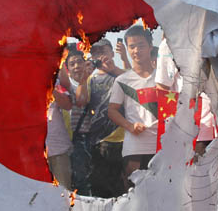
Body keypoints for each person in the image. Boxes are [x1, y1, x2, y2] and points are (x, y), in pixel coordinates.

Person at [76, 39, 128, 198]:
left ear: (112, 53)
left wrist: (117, 67)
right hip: (100, 143)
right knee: (102, 190)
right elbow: (80, 101)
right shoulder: (90, 79)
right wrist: (84, 78)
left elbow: (137, 86)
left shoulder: (122, 74)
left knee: (126, 189)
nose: (100, 56)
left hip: (126, 140)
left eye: (103, 51)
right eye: (96, 53)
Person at [108, 25, 158, 190]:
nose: (137, 50)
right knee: (135, 195)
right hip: (135, 147)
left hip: (162, 145)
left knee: (163, 194)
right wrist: (130, 126)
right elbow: (112, 110)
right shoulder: (122, 80)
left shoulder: (164, 77)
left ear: (150, 46)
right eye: (132, 46)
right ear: (127, 49)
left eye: (141, 45)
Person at [64, 44, 93, 196]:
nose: (76, 66)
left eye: (79, 62)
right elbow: (81, 100)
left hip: (92, 138)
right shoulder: (67, 86)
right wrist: (84, 79)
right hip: (74, 139)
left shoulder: (93, 81)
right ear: (67, 68)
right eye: (72, 63)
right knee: (79, 180)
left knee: (93, 178)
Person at [45, 73, 73, 190]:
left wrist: (48, 87)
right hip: (33, 153)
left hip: (58, 150)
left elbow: (67, 104)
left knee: (64, 193)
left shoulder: (54, 82)